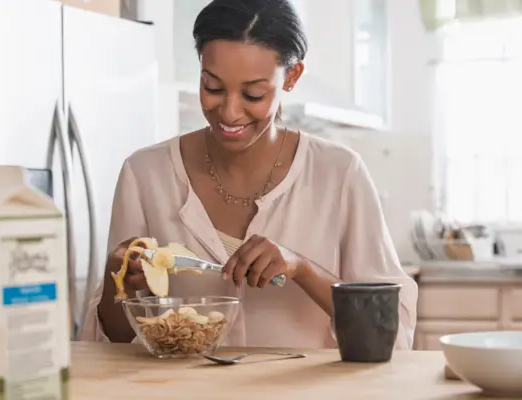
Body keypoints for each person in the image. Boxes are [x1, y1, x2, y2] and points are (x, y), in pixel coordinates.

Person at [81, 0, 418, 349]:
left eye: (253, 94)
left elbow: (389, 334)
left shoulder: (340, 173)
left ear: (291, 76)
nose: (229, 111)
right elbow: (114, 343)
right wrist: (116, 278)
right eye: (212, 87)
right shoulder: (145, 173)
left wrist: (302, 268)